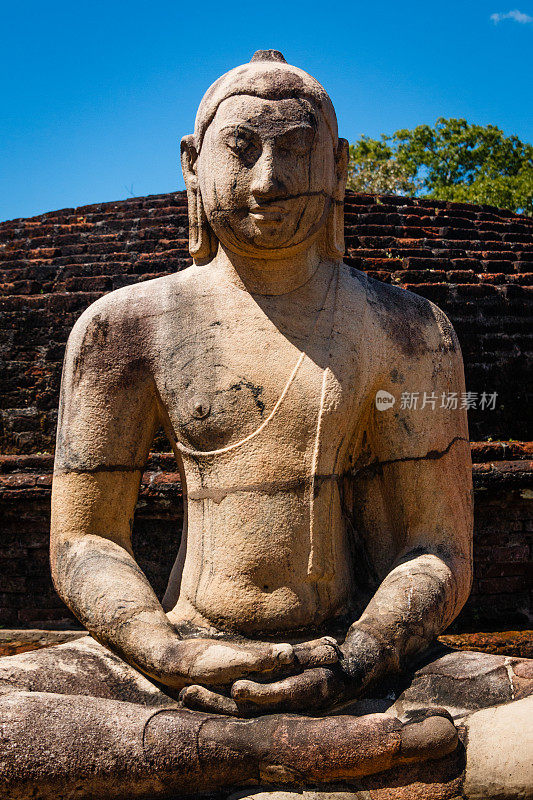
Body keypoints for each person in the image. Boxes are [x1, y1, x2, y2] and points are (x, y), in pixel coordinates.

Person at [1, 50, 531, 800]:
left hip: (355, 657)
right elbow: (84, 540)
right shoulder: (124, 326)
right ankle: (270, 754)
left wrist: (357, 656)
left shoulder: (408, 330)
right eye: (241, 150)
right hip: (176, 663)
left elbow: (435, 547)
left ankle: (253, 755)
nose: (268, 181)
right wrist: (166, 651)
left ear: (338, 165)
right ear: (192, 163)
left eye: (296, 151)